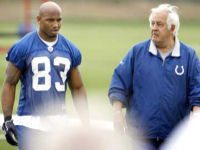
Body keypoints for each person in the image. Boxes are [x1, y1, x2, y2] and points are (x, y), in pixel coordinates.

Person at [108, 4, 200, 150]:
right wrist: (117, 111)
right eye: (152, 23)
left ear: (173, 28)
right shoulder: (137, 52)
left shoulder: (189, 56)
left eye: (159, 24)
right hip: (139, 136)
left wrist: (196, 118)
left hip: (175, 138)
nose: (154, 28)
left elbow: (197, 90)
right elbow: (119, 82)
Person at [1, 1, 89, 149]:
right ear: (38, 20)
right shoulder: (22, 47)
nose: (56, 24)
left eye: (59, 20)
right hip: (29, 122)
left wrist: (86, 122)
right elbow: (9, 83)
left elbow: (78, 87)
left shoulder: (70, 49)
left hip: (58, 123)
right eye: (50, 20)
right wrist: (8, 119)